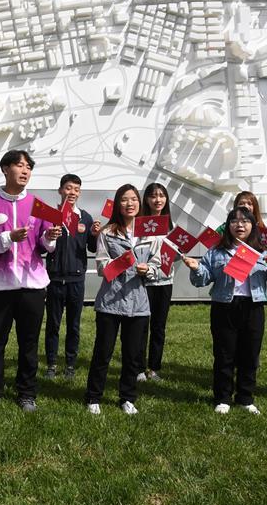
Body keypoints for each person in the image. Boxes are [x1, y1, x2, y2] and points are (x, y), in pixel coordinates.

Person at [0, 150, 62, 413]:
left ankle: (26, 393)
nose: (25, 171)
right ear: (4, 169)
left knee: (29, 342)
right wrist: (8, 238)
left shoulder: (38, 204)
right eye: (19, 165)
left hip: (31, 285)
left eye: (28, 167)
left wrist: (51, 236)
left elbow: (45, 246)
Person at [183, 207, 267, 415]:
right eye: (234, 221)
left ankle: (245, 398)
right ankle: (222, 397)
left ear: (253, 225)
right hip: (224, 305)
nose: (240, 225)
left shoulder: (263, 251)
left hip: (253, 306)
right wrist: (196, 268)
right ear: (228, 225)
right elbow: (203, 279)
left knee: (250, 354)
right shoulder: (216, 251)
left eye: (245, 221)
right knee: (224, 353)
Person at [85, 185, 158, 415]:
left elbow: (158, 263)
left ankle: (127, 397)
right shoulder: (108, 233)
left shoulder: (149, 232)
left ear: (140, 203)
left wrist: (149, 270)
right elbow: (101, 266)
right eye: (125, 200)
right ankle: (93, 397)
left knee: (132, 355)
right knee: (103, 352)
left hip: (138, 304)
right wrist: (123, 262)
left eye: (134, 199)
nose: (130, 204)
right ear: (118, 204)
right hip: (110, 301)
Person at [44, 174, 99, 380]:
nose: (72, 193)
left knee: (73, 325)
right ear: (60, 190)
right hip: (55, 278)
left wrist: (94, 235)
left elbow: (91, 248)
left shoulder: (84, 217)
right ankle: (51, 364)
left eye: (76, 189)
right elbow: (43, 245)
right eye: (68, 188)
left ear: (80, 192)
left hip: (76, 279)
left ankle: (70, 364)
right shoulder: (51, 215)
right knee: (53, 324)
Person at [136, 182, 174, 383]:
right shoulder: (140, 223)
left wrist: (178, 251)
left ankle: (154, 368)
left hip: (165, 281)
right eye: (153, 196)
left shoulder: (170, 226)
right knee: (142, 325)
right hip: (145, 281)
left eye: (161, 196)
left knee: (159, 327)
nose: (157, 199)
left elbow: (174, 255)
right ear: (147, 200)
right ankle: (139, 368)